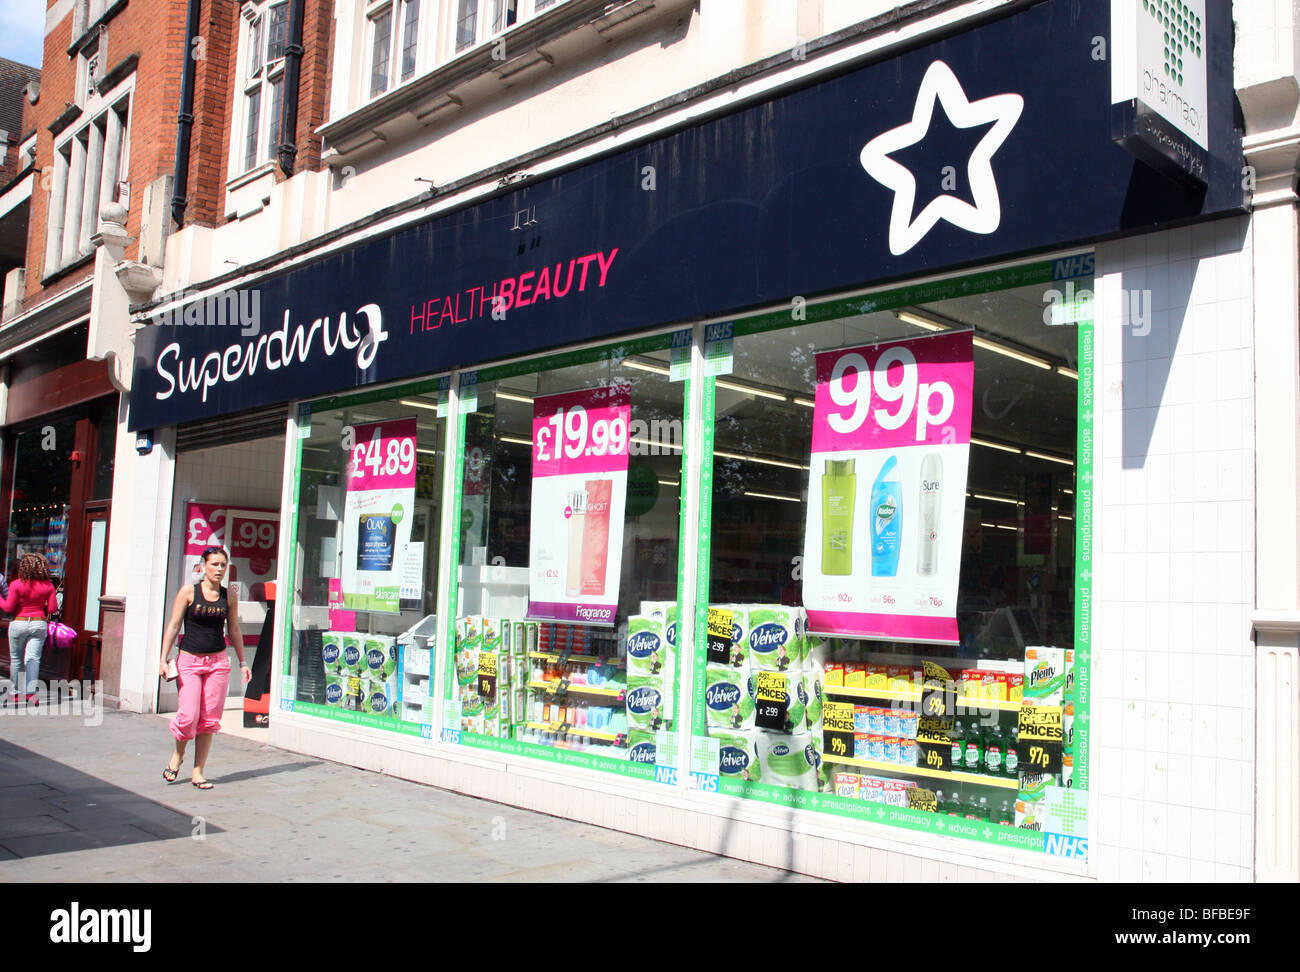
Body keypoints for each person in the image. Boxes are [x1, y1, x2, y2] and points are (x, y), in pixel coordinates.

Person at [159, 547, 249, 789]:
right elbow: (174, 625)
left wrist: (242, 662)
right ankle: (177, 756)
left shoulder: (228, 595)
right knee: (188, 716)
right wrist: (163, 658)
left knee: (209, 719)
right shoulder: (189, 592)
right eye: (215, 564)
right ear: (203, 566)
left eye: (223, 565)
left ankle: (198, 771)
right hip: (189, 661)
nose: (219, 569)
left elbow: (234, 630)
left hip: (218, 662)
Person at [2, 554, 58, 705]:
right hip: (38, 623)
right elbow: (53, 608)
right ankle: (30, 693)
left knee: (16, 659)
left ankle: (14, 693)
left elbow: (8, 607)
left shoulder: (16, 584)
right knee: (33, 658)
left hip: (19, 623)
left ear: (23, 567)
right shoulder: (48, 585)